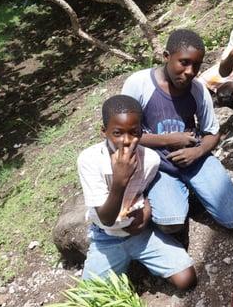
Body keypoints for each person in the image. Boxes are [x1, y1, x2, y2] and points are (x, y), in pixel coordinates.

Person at [122, 29, 233, 236]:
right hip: (159, 167)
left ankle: (196, 187)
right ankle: (181, 194)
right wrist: (170, 139)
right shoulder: (139, 84)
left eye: (196, 65)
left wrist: (196, 153)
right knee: (171, 223)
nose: (190, 71)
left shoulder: (197, 90)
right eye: (184, 62)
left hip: (194, 158)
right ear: (166, 57)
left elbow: (212, 132)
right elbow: (125, 136)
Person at [77, 95, 196, 289]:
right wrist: (119, 180)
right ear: (104, 131)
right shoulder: (89, 160)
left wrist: (146, 210)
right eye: (117, 133)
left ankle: (146, 263)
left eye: (134, 132)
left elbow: (144, 189)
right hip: (106, 237)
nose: (126, 141)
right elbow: (106, 219)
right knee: (91, 301)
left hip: (139, 232)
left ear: (142, 132)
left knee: (186, 279)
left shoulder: (150, 160)